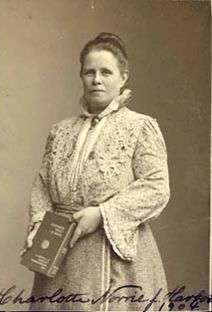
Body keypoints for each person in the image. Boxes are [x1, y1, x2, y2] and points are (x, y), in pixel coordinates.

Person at [22, 32, 170, 311]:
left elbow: (156, 186)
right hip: (60, 253)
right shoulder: (61, 130)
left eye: (106, 72)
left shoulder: (140, 127)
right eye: (89, 72)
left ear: (123, 77)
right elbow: (42, 185)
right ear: (81, 76)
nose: (97, 79)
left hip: (115, 255)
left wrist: (102, 214)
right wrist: (39, 224)